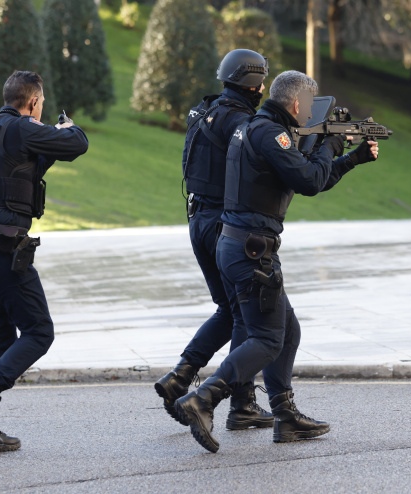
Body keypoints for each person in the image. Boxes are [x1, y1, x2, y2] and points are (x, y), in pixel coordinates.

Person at [175, 70, 380, 453]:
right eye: (308, 111)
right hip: (251, 249)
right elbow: (309, 180)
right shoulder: (270, 133)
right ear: (298, 104)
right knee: (268, 338)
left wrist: (350, 158)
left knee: (288, 330)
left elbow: (307, 178)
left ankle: (285, 415)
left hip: (238, 244)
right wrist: (330, 143)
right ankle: (203, 398)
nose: (308, 119)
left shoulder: (256, 127)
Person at [0, 70, 89, 454]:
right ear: (32, 103)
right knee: (38, 332)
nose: (40, 109)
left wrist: (42, 144)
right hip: (2, 250)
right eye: (39, 104)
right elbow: (77, 143)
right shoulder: (22, 128)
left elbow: (15, 175)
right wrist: (66, 127)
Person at [155, 49, 274, 431]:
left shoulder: (203, 110)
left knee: (227, 309)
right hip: (225, 223)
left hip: (197, 220)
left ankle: (180, 376)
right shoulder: (242, 121)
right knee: (242, 313)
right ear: (255, 84)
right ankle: (242, 404)